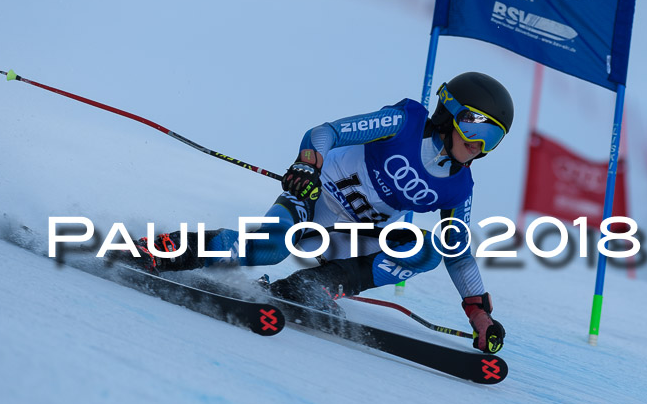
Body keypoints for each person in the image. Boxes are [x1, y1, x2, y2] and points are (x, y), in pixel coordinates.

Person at [126, 72, 512, 354]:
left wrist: (479, 314)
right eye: (477, 128)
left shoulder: (459, 187)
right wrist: (308, 164)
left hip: (353, 236)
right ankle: (163, 250)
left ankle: (315, 286)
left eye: (493, 138)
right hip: (315, 198)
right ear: (450, 113)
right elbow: (324, 133)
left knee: (431, 248)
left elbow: (459, 255)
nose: (481, 145)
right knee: (267, 249)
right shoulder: (404, 122)